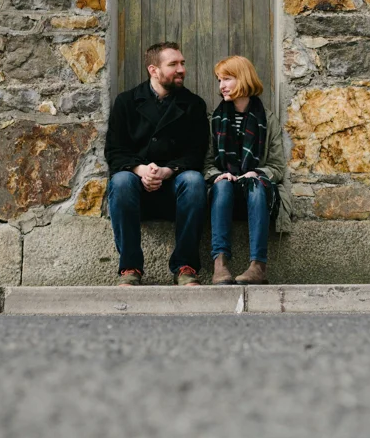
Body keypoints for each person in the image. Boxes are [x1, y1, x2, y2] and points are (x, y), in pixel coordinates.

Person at [104, 42, 210, 286]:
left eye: (182, 63)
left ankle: (185, 267)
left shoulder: (194, 105)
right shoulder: (127, 102)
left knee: (194, 180)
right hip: (136, 186)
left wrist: (166, 170)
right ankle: (130, 268)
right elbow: (115, 151)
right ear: (153, 70)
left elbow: (196, 153)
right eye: (173, 64)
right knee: (120, 181)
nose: (181, 69)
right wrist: (142, 170)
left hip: (175, 185)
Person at [204, 55, 292, 286]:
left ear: (243, 79)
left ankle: (258, 266)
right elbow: (207, 164)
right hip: (226, 193)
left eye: (227, 79)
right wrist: (218, 175)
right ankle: (220, 264)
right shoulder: (214, 120)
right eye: (219, 80)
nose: (221, 85)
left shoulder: (268, 120)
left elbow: (277, 167)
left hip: (257, 193)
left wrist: (256, 173)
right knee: (222, 185)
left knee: (255, 185)